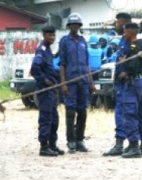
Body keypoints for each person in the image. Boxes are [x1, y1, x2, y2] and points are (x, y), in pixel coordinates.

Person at [115, 22, 142, 158]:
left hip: (132, 83)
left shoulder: (133, 47)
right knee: (141, 113)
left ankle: (134, 146)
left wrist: (126, 72)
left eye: (125, 32)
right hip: (140, 81)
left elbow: (133, 65)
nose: (124, 34)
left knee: (130, 113)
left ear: (132, 32)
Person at [58, 13, 97, 153]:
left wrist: (91, 83)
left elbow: (87, 64)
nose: (75, 27)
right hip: (71, 82)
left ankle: (80, 140)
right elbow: (62, 64)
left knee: (83, 112)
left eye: (77, 24)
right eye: (72, 24)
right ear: (69, 26)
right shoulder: (64, 42)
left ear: (80, 26)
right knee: (70, 112)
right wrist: (63, 84)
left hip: (84, 82)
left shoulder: (82, 41)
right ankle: (71, 141)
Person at [31, 26, 64, 157]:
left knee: (54, 118)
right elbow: (34, 69)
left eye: (53, 35)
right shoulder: (42, 50)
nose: (52, 37)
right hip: (44, 90)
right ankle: (44, 147)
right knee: (46, 117)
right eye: (49, 35)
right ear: (44, 35)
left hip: (51, 90)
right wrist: (44, 80)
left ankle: (52, 144)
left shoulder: (49, 50)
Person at [103, 12, 132, 156]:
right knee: (122, 112)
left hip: (127, 84)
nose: (116, 24)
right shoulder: (121, 40)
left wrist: (127, 73)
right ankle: (125, 143)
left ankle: (122, 144)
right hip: (120, 84)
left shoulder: (130, 41)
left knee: (123, 113)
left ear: (125, 23)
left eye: (118, 22)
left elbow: (136, 62)